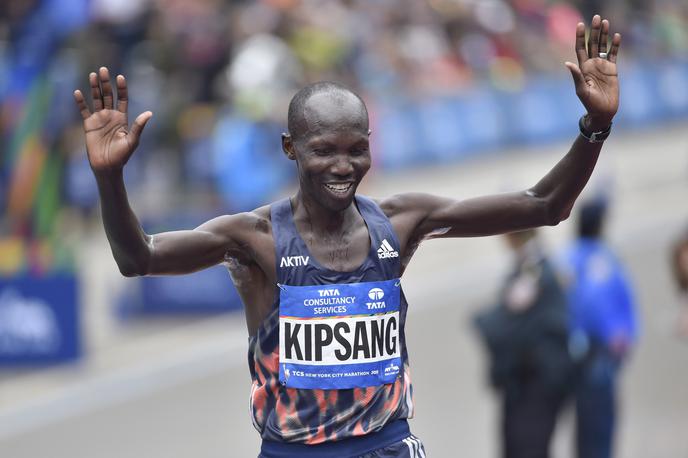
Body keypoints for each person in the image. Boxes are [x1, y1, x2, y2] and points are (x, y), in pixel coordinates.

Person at [73, 15, 621, 458]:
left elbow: (543, 207)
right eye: (323, 151)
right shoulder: (254, 237)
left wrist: (593, 128)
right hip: (294, 449)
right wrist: (109, 177)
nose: (343, 166)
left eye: (356, 149)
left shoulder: (401, 221)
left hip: (386, 445)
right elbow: (138, 258)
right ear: (290, 148)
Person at [474, 229, 574, 458]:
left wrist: (483, 322)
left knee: (529, 447)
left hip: (535, 381)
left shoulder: (535, 271)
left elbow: (514, 320)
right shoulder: (534, 268)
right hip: (527, 382)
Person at [559, 198, 638, 458]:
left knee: (590, 428)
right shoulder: (598, 261)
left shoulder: (574, 258)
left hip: (588, 355)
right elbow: (600, 304)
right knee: (598, 427)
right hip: (594, 354)